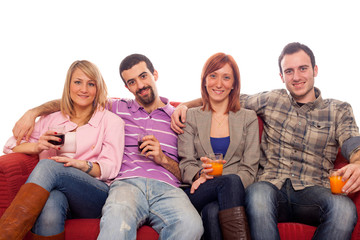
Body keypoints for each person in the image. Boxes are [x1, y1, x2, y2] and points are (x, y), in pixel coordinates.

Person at [171, 42, 360, 240]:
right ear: (282, 76)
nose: (296, 77)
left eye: (303, 69)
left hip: (313, 190)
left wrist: (358, 163)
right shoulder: (272, 100)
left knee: (344, 209)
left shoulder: (339, 110)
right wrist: (183, 105)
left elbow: (352, 142)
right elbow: (223, 93)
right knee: (258, 196)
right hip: (270, 186)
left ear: (315, 70)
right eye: (289, 71)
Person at [10, 54, 203, 240]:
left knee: (191, 226)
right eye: (132, 82)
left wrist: (163, 156)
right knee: (115, 220)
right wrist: (34, 111)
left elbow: (226, 97)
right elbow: (79, 99)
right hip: (127, 183)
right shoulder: (116, 108)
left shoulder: (180, 117)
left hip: (167, 187)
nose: (140, 85)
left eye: (143, 76)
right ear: (127, 87)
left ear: (155, 75)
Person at [0, 60, 125, 240]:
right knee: (51, 201)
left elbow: (110, 168)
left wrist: (80, 165)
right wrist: (37, 146)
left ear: (98, 89)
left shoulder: (111, 121)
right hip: (60, 196)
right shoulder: (52, 119)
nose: (84, 89)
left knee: (50, 166)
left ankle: (6, 235)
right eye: (78, 82)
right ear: (69, 85)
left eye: (91, 84)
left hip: (95, 196)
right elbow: (11, 145)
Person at [178, 53, 260, 240]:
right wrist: (200, 175)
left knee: (213, 211)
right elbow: (186, 164)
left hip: (235, 190)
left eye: (226, 77)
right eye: (213, 76)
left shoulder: (248, 118)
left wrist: (227, 185)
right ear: (205, 80)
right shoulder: (190, 116)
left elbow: (249, 168)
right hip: (199, 189)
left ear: (234, 84)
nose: (218, 83)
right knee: (227, 183)